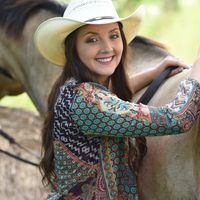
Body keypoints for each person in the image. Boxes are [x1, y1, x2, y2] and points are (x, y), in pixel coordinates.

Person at [34, 0, 200, 199]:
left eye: (113, 36)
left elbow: (108, 96)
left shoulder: (73, 88)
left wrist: (153, 72)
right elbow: (178, 118)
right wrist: (197, 68)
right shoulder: (86, 102)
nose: (107, 48)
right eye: (92, 40)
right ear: (73, 48)